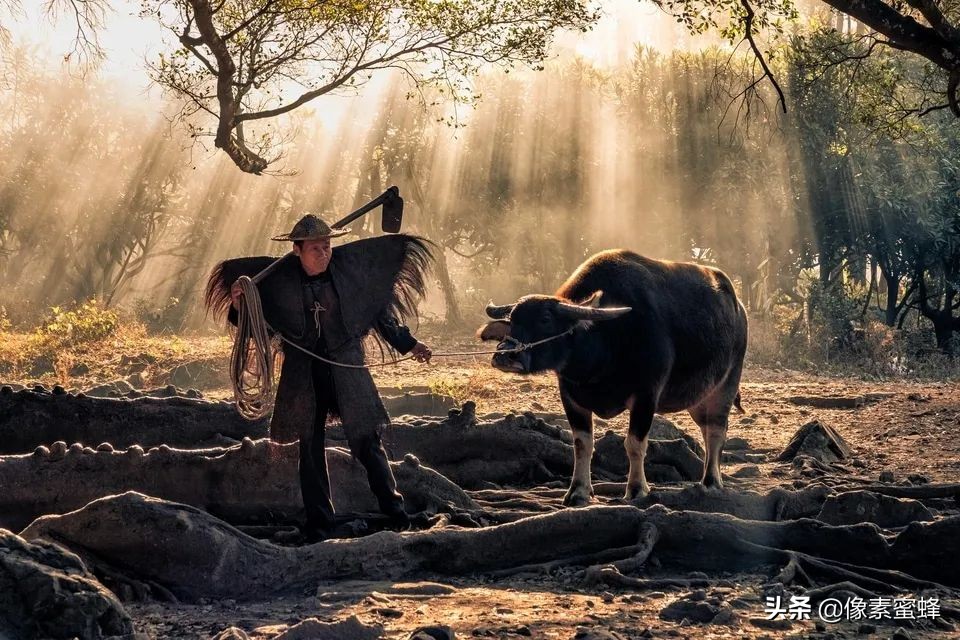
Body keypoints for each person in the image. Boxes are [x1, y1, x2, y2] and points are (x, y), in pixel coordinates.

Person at [211, 214, 433, 541]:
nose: (324, 253)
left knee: (368, 442)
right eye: (316, 248)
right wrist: (239, 305)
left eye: (327, 246)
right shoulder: (278, 281)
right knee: (310, 450)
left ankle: (396, 514)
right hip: (304, 376)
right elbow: (260, 322)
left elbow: (378, 313)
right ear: (297, 250)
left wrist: (410, 344)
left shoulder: (347, 274)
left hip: (346, 370)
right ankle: (320, 525)